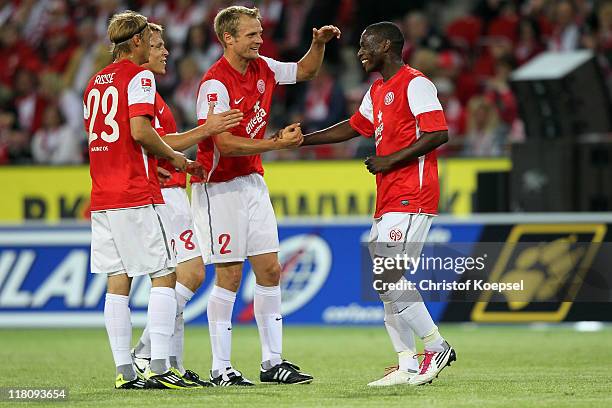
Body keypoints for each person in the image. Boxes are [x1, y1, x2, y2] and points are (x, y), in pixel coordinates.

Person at [298, 21, 455, 387]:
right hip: (387, 197)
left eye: (366, 44)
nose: (359, 51)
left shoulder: (416, 83)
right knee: (384, 283)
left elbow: (438, 132)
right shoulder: (378, 89)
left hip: (412, 194)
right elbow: (353, 127)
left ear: (386, 45)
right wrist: (302, 140)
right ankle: (407, 362)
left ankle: (436, 345)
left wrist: (390, 159)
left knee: (387, 276)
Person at [191, 5, 340, 386]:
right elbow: (223, 143)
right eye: (252, 34)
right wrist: (275, 144)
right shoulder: (215, 84)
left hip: (252, 183)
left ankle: (272, 362)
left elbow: (305, 70)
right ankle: (220, 367)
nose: (260, 38)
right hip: (218, 186)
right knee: (228, 275)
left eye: (259, 32)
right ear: (228, 38)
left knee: (271, 270)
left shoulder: (264, 68)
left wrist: (317, 44)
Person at [83, 10, 201, 390]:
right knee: (164, 274)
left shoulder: (93, 83)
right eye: (149, 41)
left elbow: (107, 137)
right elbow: (138, 130)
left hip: (102, 194)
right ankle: (161, 365)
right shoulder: (139, 75)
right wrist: (176, 158)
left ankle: (125, 372)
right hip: (134, 191)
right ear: (136, 41)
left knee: (117, 281)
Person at [131, 22, 243, 387]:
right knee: (190, 273)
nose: (165, 51)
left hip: (173, 187)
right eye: (157, 45)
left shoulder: (152, 94)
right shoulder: (141, 88)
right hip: (163, 195)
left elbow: (161, 144)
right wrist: (208, 129)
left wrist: (179, 161)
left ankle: (170, 360)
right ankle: (148, 351)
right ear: (138, 47)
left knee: (182, 275)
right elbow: (154, 139)